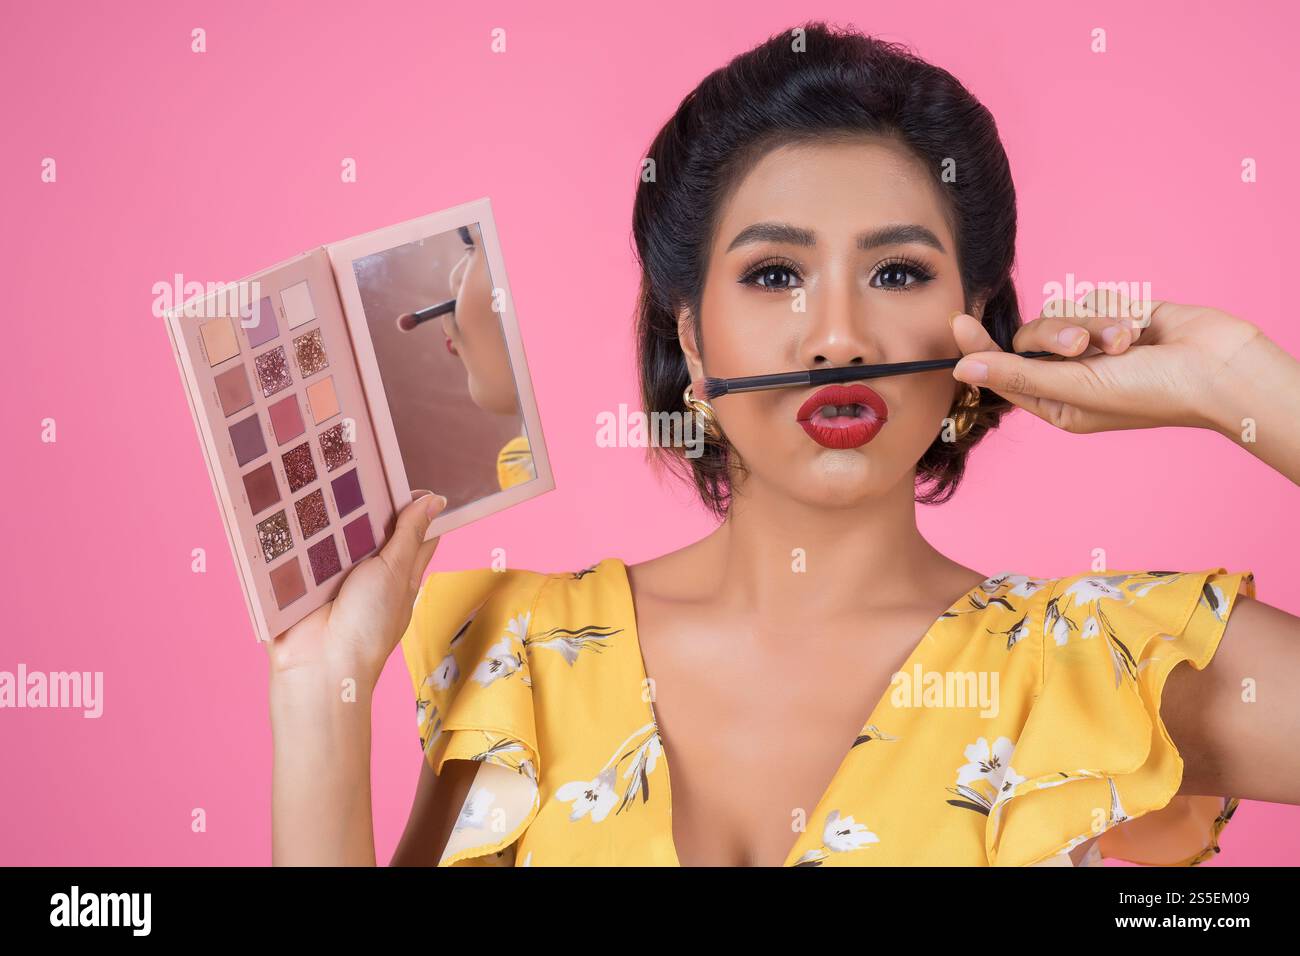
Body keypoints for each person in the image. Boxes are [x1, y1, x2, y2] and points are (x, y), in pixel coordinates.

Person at [269, 22, 1300, 867]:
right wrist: (321, 691)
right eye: (773, 275)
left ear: (975, 320)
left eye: (897, 273)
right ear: (690, 334)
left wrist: (1242, 383)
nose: (839, 335)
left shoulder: (1097, 663)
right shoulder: (518, 652)